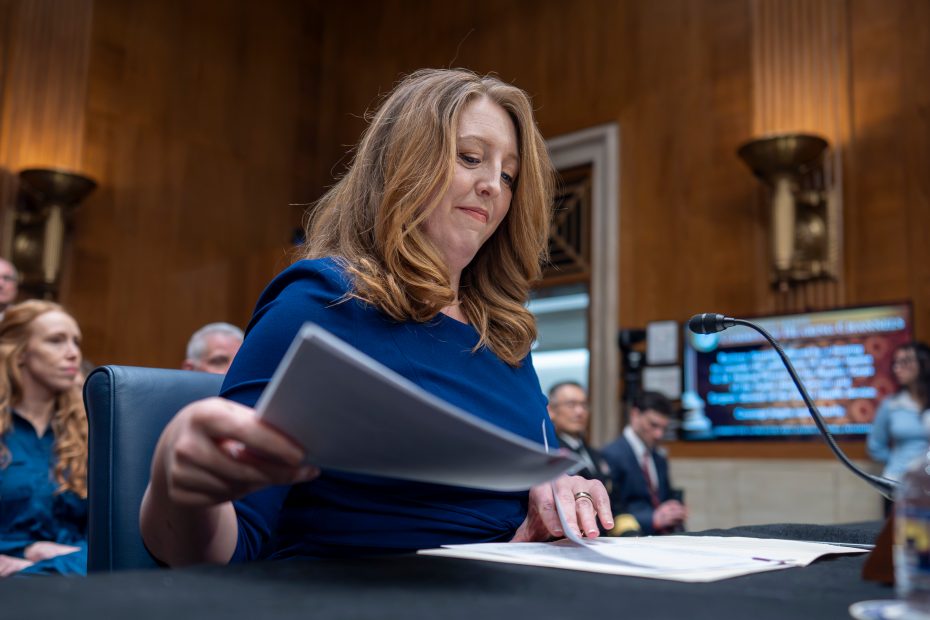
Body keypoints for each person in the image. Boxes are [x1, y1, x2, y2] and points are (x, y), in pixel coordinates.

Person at [140, 68, 614, 567]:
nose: (493, 185)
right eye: (471, 158)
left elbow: (528, 491)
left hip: (511, 586)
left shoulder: (505, 336)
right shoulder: (323, 301)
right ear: (402, 164)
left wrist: (561, 497)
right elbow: (222, 548)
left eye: (508, 175)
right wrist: (178, 486)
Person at [0, 300, 87, 577]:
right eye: (56, 341)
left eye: (76, 342)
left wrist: (37, 565)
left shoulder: (90, 431)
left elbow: (112, 537)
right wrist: (28, 550)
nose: (73, 353)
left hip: (77, 579)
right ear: (20, 352)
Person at [601, 390, 687, 535]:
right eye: (653, 425)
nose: (659, 434)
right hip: (631, 537)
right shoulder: (611, 455)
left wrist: (673, 509)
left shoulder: (658, 458)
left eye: (663, 428)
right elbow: (610, 509)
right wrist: (653, 519)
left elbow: (663, 497)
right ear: (635, 415)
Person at [867, 342, 930, 511]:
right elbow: (875, 446)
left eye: (905, 361)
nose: (897, 368)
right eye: (895, 363)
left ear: (924, 363)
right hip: (898, 484)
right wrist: (900, 462)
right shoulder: (891, 404)